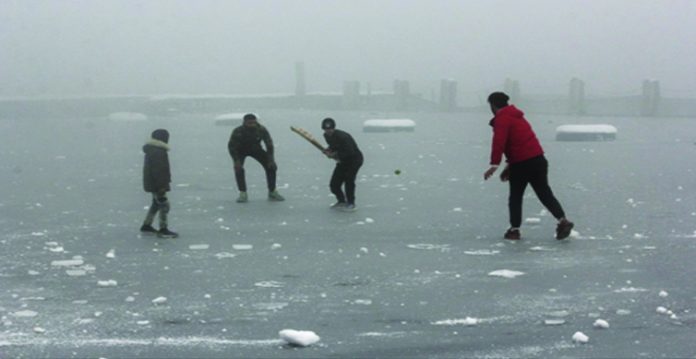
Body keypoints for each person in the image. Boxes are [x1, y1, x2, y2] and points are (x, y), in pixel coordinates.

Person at [483, 92, 574, 240]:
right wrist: (508, 164)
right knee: (544, 193)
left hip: (521, 164)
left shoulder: (502, 119)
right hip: (538, 160)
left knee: (516, 196)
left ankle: (514, 229)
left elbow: (499, 142)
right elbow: (519, 142)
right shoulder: (517, 116)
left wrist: (494, 164)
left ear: (492, 105)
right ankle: (563, 220)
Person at [228, 113, 285, 203]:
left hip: (256, 149)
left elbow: (269, 144)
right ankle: (243, 193)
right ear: (244, 122)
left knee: (271, 167)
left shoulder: (261, 129)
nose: (252, 125)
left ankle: (272, 191)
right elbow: (231, 147)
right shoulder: (237, 131)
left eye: (254, 123)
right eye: (249, 123)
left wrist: (271, 160)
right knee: (238, 170)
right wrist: (236, 161)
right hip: (240, 151)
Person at [140, 129, 178, 238]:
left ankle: (147, 225)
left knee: (156, 204)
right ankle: (163, 228)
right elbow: (160, 170)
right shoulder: (158, 152)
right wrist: (162, 186)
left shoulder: (152, 150)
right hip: (158, 185)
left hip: (153, 183)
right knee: (164, 205)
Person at [321, 117, 363, 211]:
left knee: (349, 180)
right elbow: (334, 146)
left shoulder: (343, 137)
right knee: (334, 184)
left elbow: (350, 152)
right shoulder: (326, 136)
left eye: (330, 129)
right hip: (342, 161)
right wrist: (329, 150)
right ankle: (341, 201)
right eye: (326, 129)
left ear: (334, 128)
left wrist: (334, 155)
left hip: (354, 160)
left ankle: (351, 203)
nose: (328, 131)